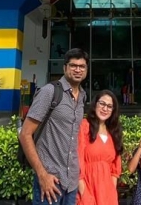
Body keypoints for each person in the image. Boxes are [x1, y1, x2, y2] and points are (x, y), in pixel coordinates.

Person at [19, 48, 89, 205]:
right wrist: (42, 175)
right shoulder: (49, 92)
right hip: (50, 181)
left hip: (71, 183)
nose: (78, 69)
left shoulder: (82, 97)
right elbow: (25, 134)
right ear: (64, 68)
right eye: (73, 65)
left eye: (82, 66)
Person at [77, 90, 123, 205]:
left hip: (107, 194)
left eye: (109, 106)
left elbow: (115, 171)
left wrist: (111, 195)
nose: (105, 108)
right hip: (87, 189)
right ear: (95, 104)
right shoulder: (84, 126)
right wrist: (84, 193)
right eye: (102, 103)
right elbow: (77, 161)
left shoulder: (113, 133)